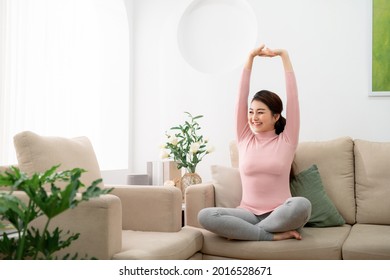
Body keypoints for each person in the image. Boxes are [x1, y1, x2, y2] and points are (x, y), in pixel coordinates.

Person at [198, 44, 312, 241]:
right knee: (205, 215)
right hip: (247, 213)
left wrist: (284, 56)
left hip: (280, 213)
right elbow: (240, 98)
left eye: (260, 112)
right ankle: (270, 235)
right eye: (251, 112)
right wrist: (250, 58)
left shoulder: (287, 140)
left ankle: (246, 232)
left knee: (302, 205)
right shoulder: (244, 138)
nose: (253, 117)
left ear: (276, 116)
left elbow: (293, 98)